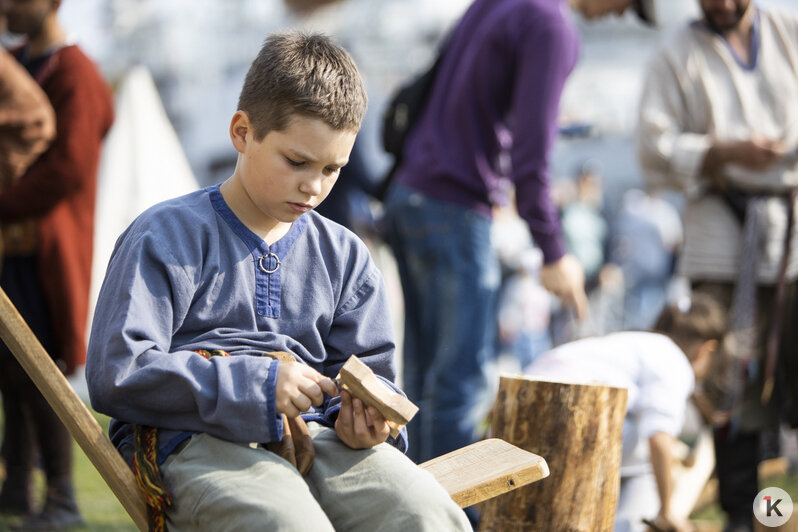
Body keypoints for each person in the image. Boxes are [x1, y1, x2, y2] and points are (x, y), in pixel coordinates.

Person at [86, 32, 471, 532]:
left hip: (323, 441)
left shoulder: (345, 255)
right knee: (290, 523)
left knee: (428, 515)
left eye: (333, 168)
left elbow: (366, 375)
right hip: (191, 440)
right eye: (297, 162)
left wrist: (365, 422)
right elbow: (118, 372)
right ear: (243, 133)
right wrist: (260, 386)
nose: (314, 185)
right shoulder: (166, 235)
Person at [381, 0, 654, 469]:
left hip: (410, 193)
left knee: (420, 383)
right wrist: (553, 250)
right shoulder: (552, 26)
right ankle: (449, 520)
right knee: (458, 388)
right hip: (457, 208)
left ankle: (410, 514)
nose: (619, 14)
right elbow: (533, 161)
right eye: (627, 3)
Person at [636, 1, 798, 530]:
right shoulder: (675, 54)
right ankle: (744, 514)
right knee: (727, 385)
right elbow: (653, 149)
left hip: (791, 229)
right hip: (722, 239)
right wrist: (720, 153)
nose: (723, 5)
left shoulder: (788, 31)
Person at [0, 0, 114, 529]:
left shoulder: (76, 72)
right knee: (10, 374)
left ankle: (63, 498)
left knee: (40, 372)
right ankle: (18, 488)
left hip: (49, 247)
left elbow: (68, 169)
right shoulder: (20, 60)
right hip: (14, 245)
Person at [524, 294, 729, 532]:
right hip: (565, 417)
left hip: (522, 404)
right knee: (648, 461)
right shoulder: (674, 361)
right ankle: (628, 525)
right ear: (706, 350)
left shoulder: (640, 342)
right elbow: (659, 438)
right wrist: (667, 509)